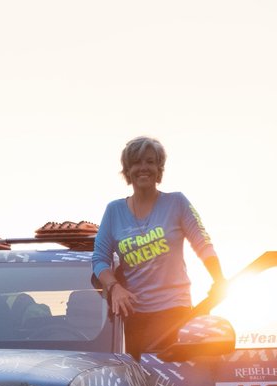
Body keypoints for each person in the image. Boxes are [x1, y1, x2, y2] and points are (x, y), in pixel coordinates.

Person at [92, 136, 227, 356]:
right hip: (132, 315)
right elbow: (99, 260)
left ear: (159, 168)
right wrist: (114, 287)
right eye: (136, 162)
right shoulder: (114, 211)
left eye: (150, 161)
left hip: (174, 312)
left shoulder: (177, 203)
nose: (143, 168)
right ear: (127, 170)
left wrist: (219, 280)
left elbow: (203, 243)